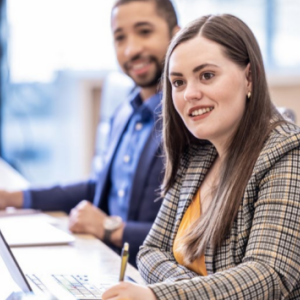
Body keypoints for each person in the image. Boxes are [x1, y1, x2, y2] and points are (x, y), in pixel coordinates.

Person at [102, 14, 300, 300]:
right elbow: (149, 252)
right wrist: (189, 289)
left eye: (207, 75)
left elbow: (267, 275)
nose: (189, 94)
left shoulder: (288, 153)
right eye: (178, 82)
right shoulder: (197, 154)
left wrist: (161, 296)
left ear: (249, 77)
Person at [0, 0, 180, 266]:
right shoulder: (125, 112)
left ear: (176, 35)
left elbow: (190, 233)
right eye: (120, 38)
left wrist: (108, 227)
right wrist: (16, 198)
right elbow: (97, 187)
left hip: (149, 278)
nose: (131, 49)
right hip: (106, 261)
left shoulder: (187, 120)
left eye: (144, 32)